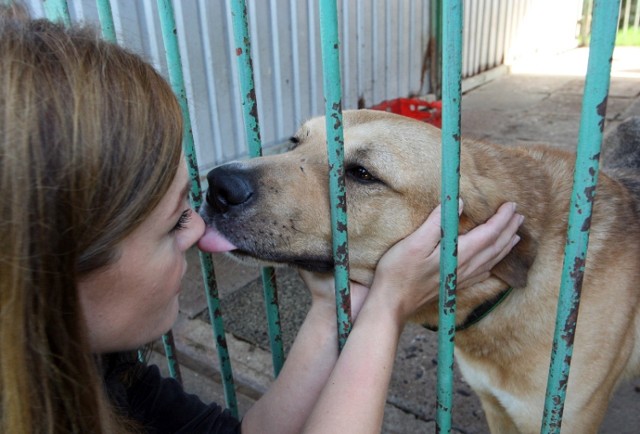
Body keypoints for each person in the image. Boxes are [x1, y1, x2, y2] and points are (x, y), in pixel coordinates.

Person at [0, 9, 524, 434]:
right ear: (42, 270)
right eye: (168, 227)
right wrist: (385, 310)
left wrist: (332, 303)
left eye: (357, 172)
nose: (197, 232)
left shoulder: (103, 372)